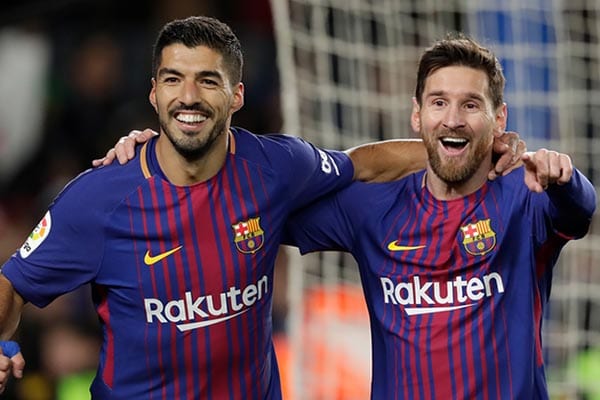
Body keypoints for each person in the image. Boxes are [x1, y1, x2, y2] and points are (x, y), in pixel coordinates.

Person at [0, 16, 523, 399]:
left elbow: (361, 164)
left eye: (208, 80)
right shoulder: (98, 197)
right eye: (174, 79)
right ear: (154, 94)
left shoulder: (276, 167)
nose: (189, 96)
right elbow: (13, 285)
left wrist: (471, 151)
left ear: (237, 96)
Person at [278, 34, 597, 399]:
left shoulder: (525, 195)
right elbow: (270, 216)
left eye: (471, 105)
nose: (453, 119)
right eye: (439, 103)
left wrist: (564, 177)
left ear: (499, 118)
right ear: (417, 115)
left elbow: (580, 211)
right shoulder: (373, 206)